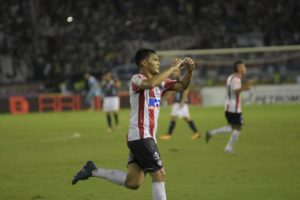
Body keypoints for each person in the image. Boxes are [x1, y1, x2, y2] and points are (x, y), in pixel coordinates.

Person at [72, 48, 196, 200]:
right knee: (159, 174)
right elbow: (149, 84)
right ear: (144, 62)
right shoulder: (136, 79)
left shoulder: (161, 84)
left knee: (133, 182)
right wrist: (172, 68)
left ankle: (92, 171)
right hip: (141, 135)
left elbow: (182, 86)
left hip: (144, 137)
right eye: (155, 60)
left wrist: (189, 72)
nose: (158, 63)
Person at [205, 61, 253, 153]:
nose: (245, 68)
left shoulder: (231, 77)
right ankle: (228, 148)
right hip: (234, 107)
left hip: (229, 105)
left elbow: (233, 90)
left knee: (232, 127)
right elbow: (236, 91)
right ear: (239, 68)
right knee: (238, 128)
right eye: (244, 67)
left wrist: (246, 87)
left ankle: (211, 133)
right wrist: (246, 85)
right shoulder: (236, 79)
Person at [160, 70, 201, 140]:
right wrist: (165, 97)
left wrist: (182, 100)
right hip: (177, 102)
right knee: (174, 117)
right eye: (173, 73)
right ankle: (169, 134)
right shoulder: (175, 80)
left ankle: (196, 132)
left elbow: (186, 89)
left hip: (181, 103)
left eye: (174, 72)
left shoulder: (181, 79)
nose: (173, 74)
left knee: (186, 117)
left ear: (178, 72)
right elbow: (173, 91)